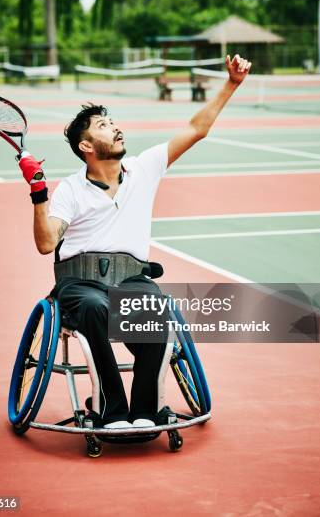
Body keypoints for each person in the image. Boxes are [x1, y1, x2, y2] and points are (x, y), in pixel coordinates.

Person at [18, 54, 251, 429]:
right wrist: (38, 192)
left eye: (113, 122)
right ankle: (110, 412)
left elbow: (196, 128)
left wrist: (232, 84)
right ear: (86, 147)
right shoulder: (70, 191)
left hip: (130, 280)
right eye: (103, 126)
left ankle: (146, 412)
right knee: (95, 307)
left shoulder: (145, 168)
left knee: (156, 305)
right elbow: (47, 244)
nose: (115, 128)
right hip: (80, 284)